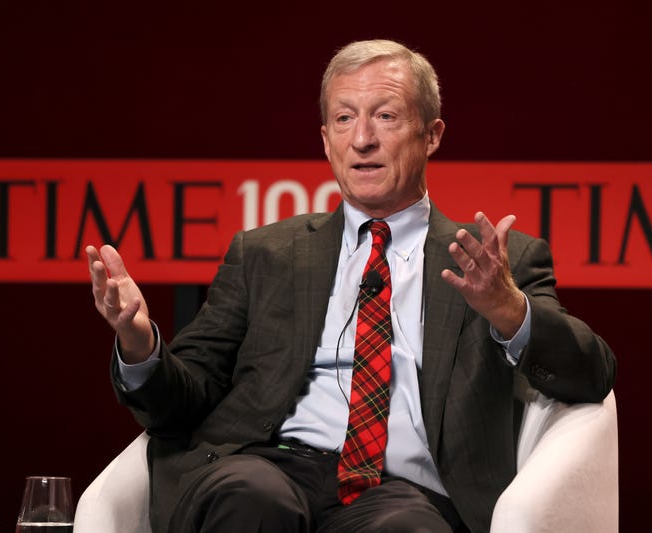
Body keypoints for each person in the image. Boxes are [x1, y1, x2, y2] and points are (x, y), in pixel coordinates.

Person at [86, 39, 616, 533]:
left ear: (432, 134)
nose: (362, 139)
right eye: (344, 119)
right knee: (247, 496)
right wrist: (140, 344)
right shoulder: (266, 254)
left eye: (385, 116)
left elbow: (590, 374)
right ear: (325, 139)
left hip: (404, 492)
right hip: (270, 465)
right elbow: (183, 399)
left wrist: (508, 310)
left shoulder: (502, 260)